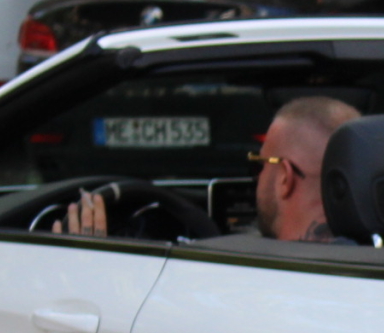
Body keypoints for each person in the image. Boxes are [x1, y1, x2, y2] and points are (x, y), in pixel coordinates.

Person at [50, 96, 360, 241]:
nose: (255, 178)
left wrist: (90, 262)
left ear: (284, 179)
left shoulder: (245, 278)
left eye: (259, 166)